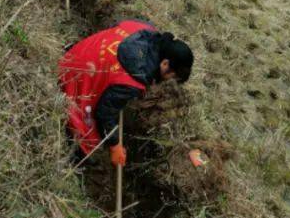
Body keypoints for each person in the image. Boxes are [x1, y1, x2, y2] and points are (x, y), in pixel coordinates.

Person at [58, 20, 193, 160]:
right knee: (89, 138)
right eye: (171, 77)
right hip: (71, 75)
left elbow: (115, 25)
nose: (168, 82)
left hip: (80, 51)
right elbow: (104, 114)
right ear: (165, 63)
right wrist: (114, 145)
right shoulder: (133, 79)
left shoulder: (144, 28)